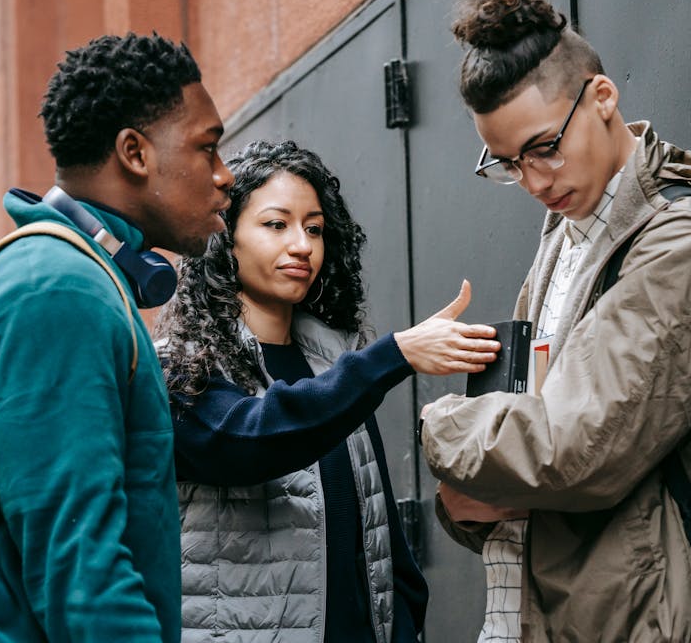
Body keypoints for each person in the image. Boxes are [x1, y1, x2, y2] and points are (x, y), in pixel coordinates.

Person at [418, 0, 691, 642]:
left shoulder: (680, 239)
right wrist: (469, 505)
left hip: (648, 618)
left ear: (601, 96)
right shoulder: (569, 232)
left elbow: (579, 447)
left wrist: (442, 430)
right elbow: (533, 423)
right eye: (508, 163)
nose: (533, 180)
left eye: (543, 147)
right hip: (553, 609)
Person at [0, 32, 233, 642]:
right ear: (134, 153)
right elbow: (79, 571)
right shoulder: (56, 293)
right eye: (208, 148)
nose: (225, 177)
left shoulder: (71, 280)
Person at [158, 139, 500, 642]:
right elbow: (255, 438)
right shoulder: (182, 367)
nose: (302, 245)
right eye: (276, 224)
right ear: (225, 237)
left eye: (314, 228)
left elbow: (384, 541)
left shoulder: (335, 366)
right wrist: (393, 355)